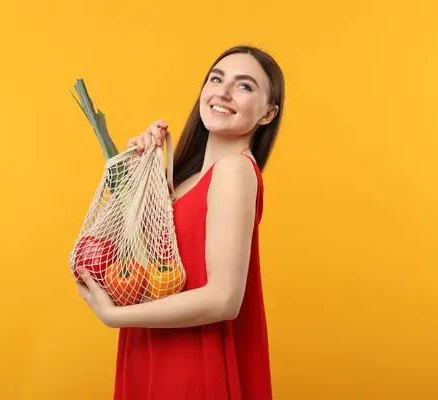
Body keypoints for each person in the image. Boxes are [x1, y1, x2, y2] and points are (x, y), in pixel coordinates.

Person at [75, 44, 285, 399]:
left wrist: (114, 317)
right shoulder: (186, 178)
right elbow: (149, 262)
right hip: (154, 348)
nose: (223, 92)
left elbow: (223, 298)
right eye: (216, 79)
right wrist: (139, 168)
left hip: (191, 361)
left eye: (245, 86)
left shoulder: (234, 170)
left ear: (267, 114)